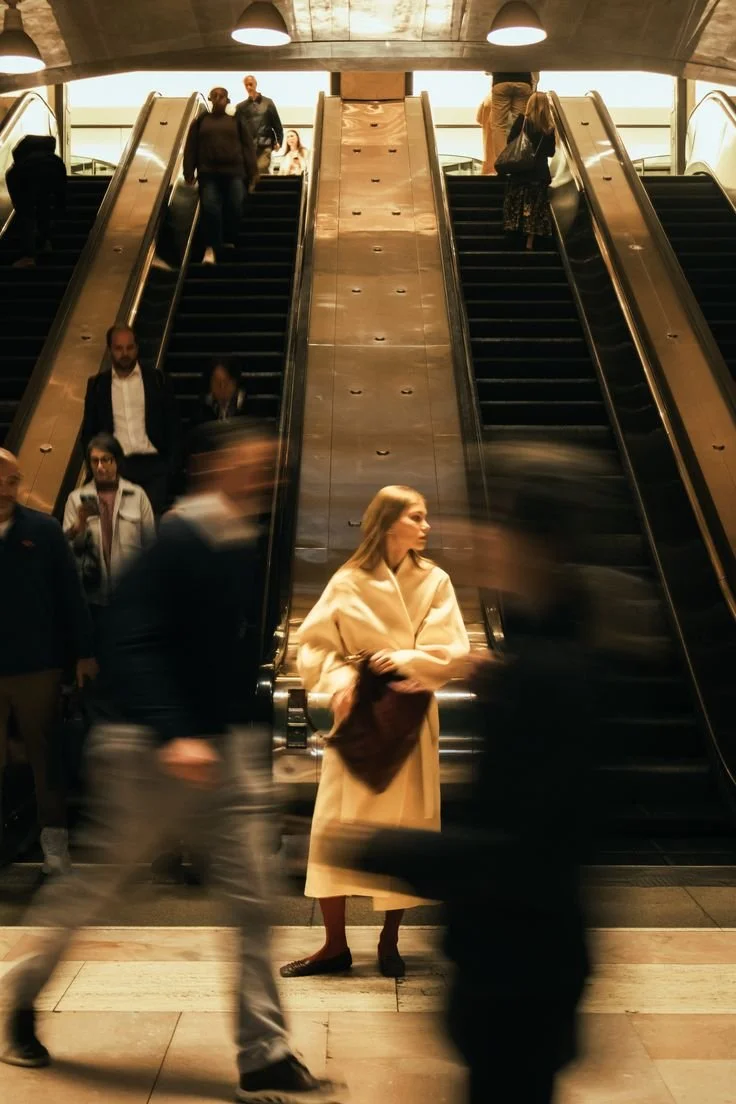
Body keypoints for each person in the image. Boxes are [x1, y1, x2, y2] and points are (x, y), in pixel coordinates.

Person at [0, 420, 346, 1104]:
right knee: (100, 892)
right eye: (254, 464)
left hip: (226, 753)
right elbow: (132, 639)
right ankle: (23, 992)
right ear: (214, 465)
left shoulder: (245, 541)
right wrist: (175, 732)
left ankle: (265, 1052)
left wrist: (252, 746)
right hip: (149, 752)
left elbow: (237, 655)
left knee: (252, 900)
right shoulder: (178, 539)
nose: (266, 477)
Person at [330, 442, 655, 1104]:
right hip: (526, 969)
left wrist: (380, 845)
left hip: (518, 976)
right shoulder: (552, 656)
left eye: (497, 518)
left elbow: (523, 850)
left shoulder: (549, 674)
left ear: (537, 540)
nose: (476, 534)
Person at [280, 486, 469, 981]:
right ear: (388, 523)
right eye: (417, 516)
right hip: (359, 713)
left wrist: (402, 659)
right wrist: (340, 681)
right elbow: (314, 646)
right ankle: (334, 945)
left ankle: (389, 939)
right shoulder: (348, 580)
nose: (426, 526)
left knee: (403, 829)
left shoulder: (436, 581)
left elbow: (451, 648)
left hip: (409, 714)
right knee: (334, 828)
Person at [0, 448, 96, 876]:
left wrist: (83, 652)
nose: (8, 486)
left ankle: (54, 845)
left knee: (44, 754)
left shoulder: (42, 530)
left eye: (14, 479)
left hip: (35, 662)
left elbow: (70, 596)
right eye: (3, 478)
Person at [81, 324, 182, 517]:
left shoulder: (157, 380)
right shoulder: (97, 385)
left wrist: (171, 466)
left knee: (147, 528)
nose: (125, 353)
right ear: (110, 349)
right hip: (116, 467)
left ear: (137, 348)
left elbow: (174, 426)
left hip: (154, 466)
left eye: (130, 347)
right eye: (119, 348)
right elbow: (89, 431)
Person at [63, 433, 156, 630]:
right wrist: (80, 523)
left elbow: (151, 545)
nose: (100, 466)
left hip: (130, 592)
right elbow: (68, 553)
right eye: (94, 461)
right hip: (92, 594)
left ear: (116, 461)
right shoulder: (76, 498)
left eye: (106, 460)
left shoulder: (137, 495)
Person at [183, 86, 259, 265]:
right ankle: (211, 246)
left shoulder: (236, 121)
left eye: (221, 96)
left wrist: (253, 172)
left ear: (227, 100)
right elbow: (191, 147)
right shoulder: (201, 121)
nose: (218, 99)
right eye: (214, 96)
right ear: (210, 99)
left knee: (235, 205)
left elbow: (247, 146)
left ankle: (229, 239)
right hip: (208, 173)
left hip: (234, 172)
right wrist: (188, 171)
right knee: (210, 209)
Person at [502, 91, 556, 251]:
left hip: (521, 172)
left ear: (530, 104)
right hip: (539, 174)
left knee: (516, 204)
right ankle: (530, 241)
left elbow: (510, 142)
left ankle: (514, 235)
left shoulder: (522, 121)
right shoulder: (549, 128)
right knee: (536, 207)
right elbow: (551, 152)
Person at [6, 134, 66, 268]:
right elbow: (62, 187)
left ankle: (28, 256)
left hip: (24, 177)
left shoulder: (21, 164)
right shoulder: (55, 160)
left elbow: (21, 204)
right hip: (50, 177)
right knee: (43, 205)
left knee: (26, 215)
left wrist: (19, 206)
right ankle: (46, 242)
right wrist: (60, 207)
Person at [476, 71, 534, 175]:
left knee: (499, 126)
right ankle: (519, 161)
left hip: (501, 81)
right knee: (520, 123)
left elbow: (487, 68)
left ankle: (503, 165)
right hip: (524, 82)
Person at [237, 75, 284, 175]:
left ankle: (263, 188)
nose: (249, 87)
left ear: (255, 84)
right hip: (248, 145)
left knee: (261, 169)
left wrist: (279, 141)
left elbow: (276, 124)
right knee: (250, 172)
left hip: (265, 144)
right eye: (246, 85)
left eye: (250, 84)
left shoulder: (268, 103)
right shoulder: (241, 107)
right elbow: (238, 127)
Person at [191, 357, 247, 425]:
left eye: (227, 382)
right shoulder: (201, 409)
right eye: (217, 382)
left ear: (235, 383)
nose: (222, 387)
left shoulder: (248, 407)